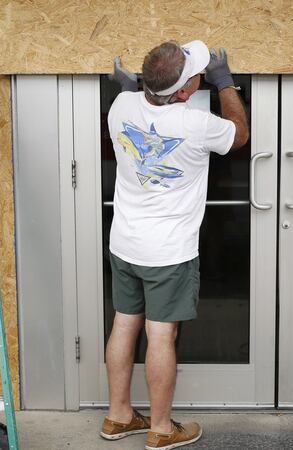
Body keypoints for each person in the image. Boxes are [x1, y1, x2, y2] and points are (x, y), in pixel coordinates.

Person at [100, 40, 249, 449]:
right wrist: (224, 84)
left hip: (126, 243)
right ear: (184, 91)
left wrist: (136, 88)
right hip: (168, 251)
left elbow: (140, 97)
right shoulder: (198, 123)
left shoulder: (121, 107)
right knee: (161, 336)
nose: (202, 75)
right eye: (197, 74)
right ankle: (162, 429)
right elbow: (239, 135)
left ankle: (117, 417)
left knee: (124, 324)